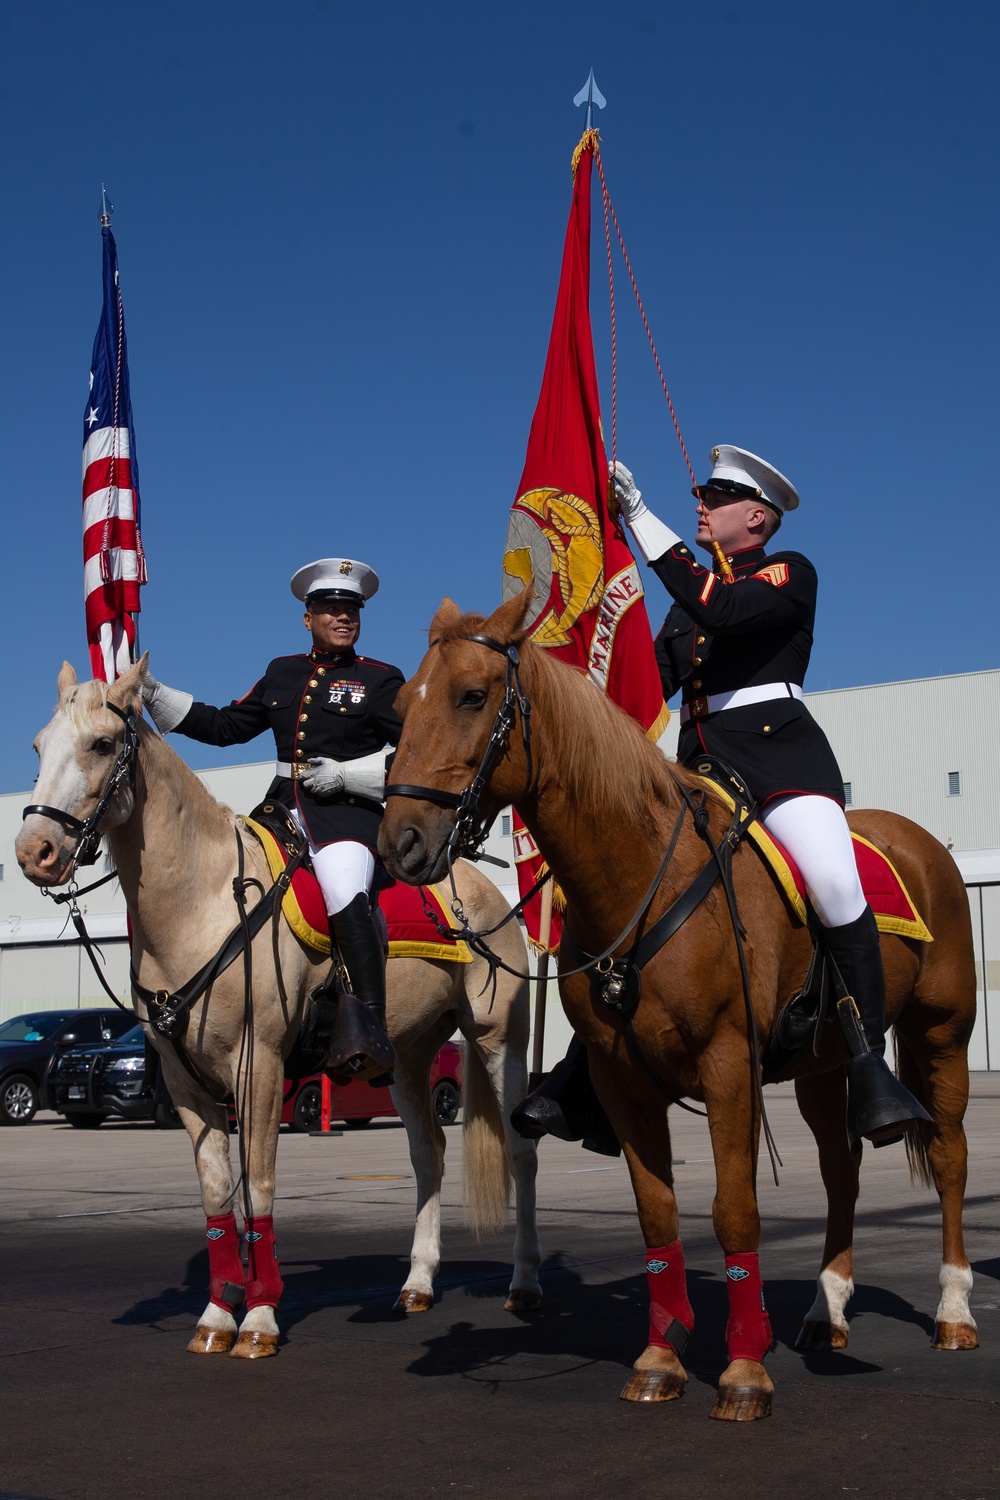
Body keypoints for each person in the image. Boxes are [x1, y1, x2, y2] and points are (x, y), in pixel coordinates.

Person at [512, 447, 928, 1151]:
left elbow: (726, 610)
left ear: (757, 517)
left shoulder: (788, 573)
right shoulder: (689, 602)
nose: (702, 504)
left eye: (717, 496)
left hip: (781, 768)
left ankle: (866, 1055)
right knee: (626, 899)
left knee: (832, 880)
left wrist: (643, 519)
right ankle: (585, 1068)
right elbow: (651, 681)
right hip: (702, 775)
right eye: (701, 494)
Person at [141, 557, 404, 1078]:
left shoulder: (379, 679)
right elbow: (225, 726)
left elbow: (417, 752)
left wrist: (349, 777)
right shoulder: (283, 672)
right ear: (308, 617)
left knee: (341, 889)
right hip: (280, 812)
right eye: (331, 609)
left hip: (346, 821)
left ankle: (372, 1027)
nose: (343, 617)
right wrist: (152, 692)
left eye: (351, 609)